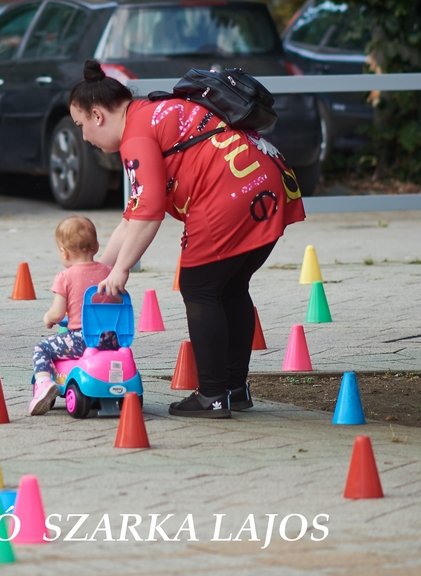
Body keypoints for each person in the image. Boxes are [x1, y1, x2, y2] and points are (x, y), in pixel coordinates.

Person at [69, 60, 305, 417]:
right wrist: (103, 267)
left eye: (80, 125)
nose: (84, 136)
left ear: (97, 115)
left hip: (231, 194)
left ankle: (212, 395)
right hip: (267, 179)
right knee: (229, 288)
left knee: (200, 288)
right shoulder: (151, 112)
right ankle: (234, 390)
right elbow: (133, 214)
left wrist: (122, 271)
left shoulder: (135, 135)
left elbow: (148, 213)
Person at [28, 215, 119, 416]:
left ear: (65, 253)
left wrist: (48, 318)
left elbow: (58, 312)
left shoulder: (65, 277)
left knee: (41, 348)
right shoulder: (110, 272)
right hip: (111, 339)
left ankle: (44, 384)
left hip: (81, 340)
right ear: (95, 246)